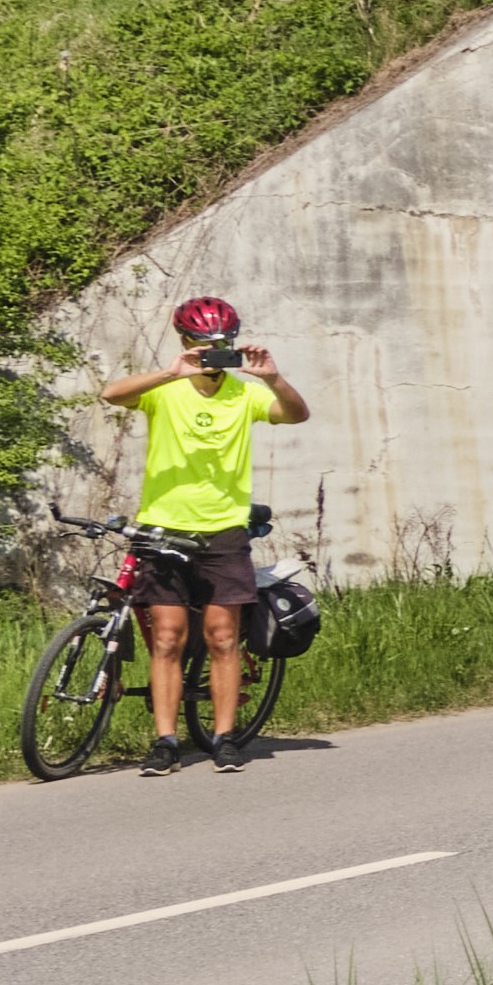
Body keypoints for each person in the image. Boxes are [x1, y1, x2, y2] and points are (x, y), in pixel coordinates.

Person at [94, 295, 308, 773]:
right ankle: (166, 742)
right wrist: (172, 372)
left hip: (223, 530)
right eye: (204, 343)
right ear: (186, 342)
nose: (214, 352)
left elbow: (296, 414)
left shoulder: (245, 393)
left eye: (223, 344)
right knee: (168, 637)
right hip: (164, 526)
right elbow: (111, 394)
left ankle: (225, 736)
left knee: (222, 637)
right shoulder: (164, 389)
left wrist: (272, 377)